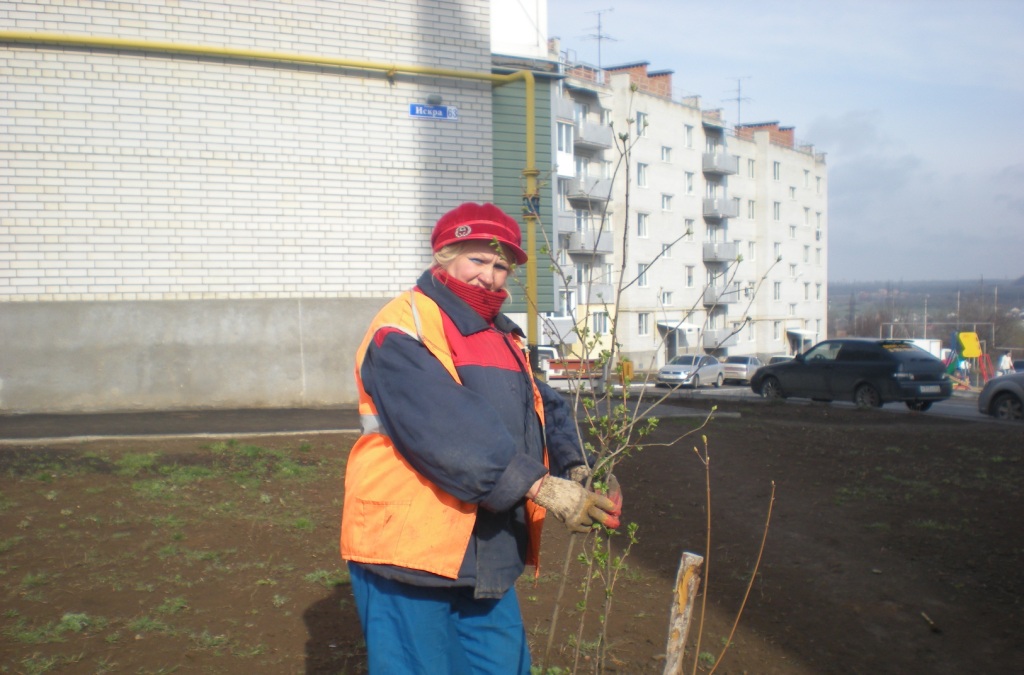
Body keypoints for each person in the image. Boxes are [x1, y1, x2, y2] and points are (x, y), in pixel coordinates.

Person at [340, 202, 623, 674]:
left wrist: (577, 466)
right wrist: (542, 487)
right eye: (478, 259)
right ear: (444, 256)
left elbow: (543, 406)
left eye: (501, 266)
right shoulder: (404, 325)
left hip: (485, 548)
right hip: (409, 548)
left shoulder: (502, 336)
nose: (489, 277)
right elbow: (445, 428)